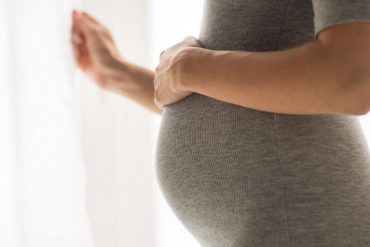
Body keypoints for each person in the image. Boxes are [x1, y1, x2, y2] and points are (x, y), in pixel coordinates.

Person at [71, 1, 370, 246]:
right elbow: (252, 100)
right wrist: (118, 75)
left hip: (301, 218)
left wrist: (186, 68)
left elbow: (351, 78)